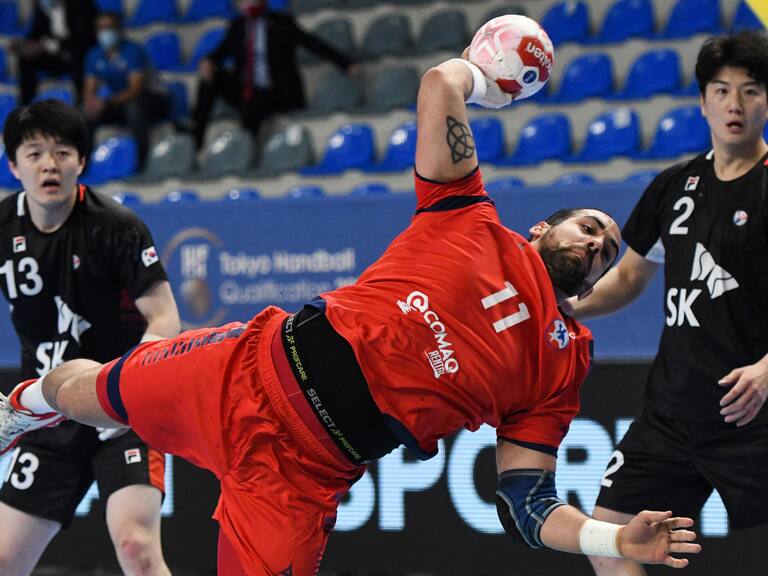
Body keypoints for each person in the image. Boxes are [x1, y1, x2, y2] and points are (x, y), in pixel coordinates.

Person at [0, 54, 701, 575]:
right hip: (242, 368)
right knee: (82, 390)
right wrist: (490, 72)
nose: (598, 245)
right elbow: (439, 85)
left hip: (303, 476)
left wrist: (613, 540)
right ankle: (24, 405)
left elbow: (527, 504)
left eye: (609, 250)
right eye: (589, 228)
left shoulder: (560, 363)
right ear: (544, 226)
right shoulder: (467, 215)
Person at [558, 30, 768, 576]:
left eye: (750, 91)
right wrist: (568, 309)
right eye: (721, 91)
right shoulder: (674, 186)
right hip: (671, 414)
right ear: (702, 102)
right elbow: (628, 277)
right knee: (608, 545)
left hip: (757, 413)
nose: (735, 105)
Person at [0, 99, 180, 575]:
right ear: (13, 165)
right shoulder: (1, 228)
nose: (49, 164)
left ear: (81, 161)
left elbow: (164, 318)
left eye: (62, 151)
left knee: (137, 548)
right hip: (46, 416)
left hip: (119, 412)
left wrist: (129, 391)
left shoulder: (117, 227)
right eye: (34, 153)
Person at [190, 0, 354, 149]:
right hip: (248, 91)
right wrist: (208, 61)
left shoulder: (282, 22)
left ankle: (248, 150)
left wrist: (346, 63)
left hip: (278, 92)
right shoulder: (237, 26)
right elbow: (220, 53)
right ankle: (196, 138)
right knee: (210, 78)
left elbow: (312, 43)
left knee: (252, 106)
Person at [82, 11, 172, 169]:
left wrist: (106, 102)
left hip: (153, 99)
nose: (105, 32)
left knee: (134, 108)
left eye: (109, 27)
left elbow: (135, 90)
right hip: (119, 102)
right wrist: (92, 103)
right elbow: (89, 89)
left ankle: (140, 163)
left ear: (119, 29)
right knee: (83, 114)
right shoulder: (94, 55)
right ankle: (83, 165)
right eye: (101, 28)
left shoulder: (133, 51)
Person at [10, 0, 97, 105]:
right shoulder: (42, 8)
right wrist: (24, 46)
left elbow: (81, 38)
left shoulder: (81, 5)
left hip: (76, 52)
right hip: (54, 56)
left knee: (78, 58)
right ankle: (26, 105)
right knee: (26, 59)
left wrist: (47, 46)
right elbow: (34, 35)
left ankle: (82, 104)